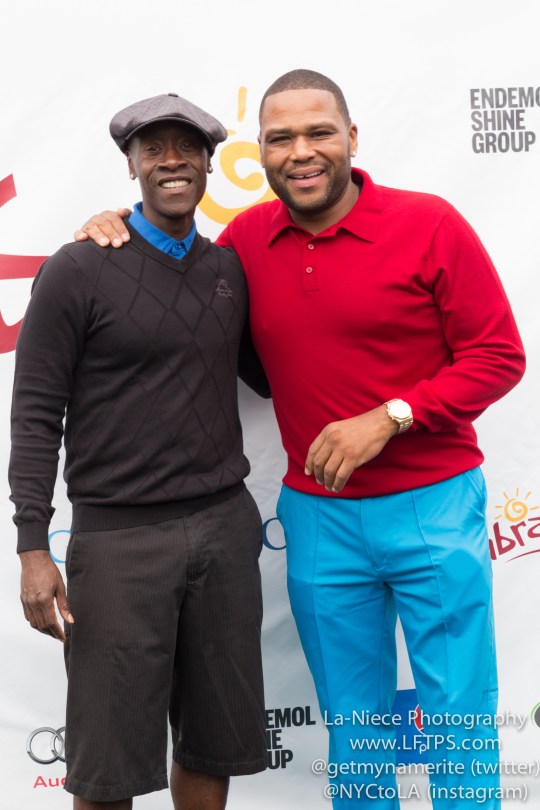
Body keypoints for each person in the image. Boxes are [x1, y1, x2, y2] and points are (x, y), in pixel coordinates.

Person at [74, 70, 525, 809]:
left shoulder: (430, 223)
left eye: (318, 132)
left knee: (459, 719)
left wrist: (392, 416)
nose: (301, 151)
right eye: (280, 138)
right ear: (262, 153)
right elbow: (173, 271)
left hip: (434, 505)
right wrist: (110, 231)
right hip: (318, 518)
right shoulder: (247, 240)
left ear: (351, 138)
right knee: (354, 727)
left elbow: (499, 355)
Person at [9, 93, 270, 810]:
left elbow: (273, 375)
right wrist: (34, 547)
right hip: (118, 545)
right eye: (153, 148)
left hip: (223, 529)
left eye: (187, 147)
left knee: (211, 744)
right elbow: (34, 414)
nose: (172, 160)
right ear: (130, 165)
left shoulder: (229, 270)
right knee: (107, 768)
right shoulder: (77, 269)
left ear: (212, 162)